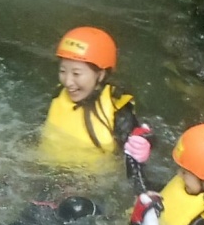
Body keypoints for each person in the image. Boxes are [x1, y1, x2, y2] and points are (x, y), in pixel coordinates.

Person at [36, 26, 152, 178]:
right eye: (63, 71)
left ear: (101, 74)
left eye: (76, 73)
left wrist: (143, 150)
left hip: (90, 181)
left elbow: (136, 143)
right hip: (45, 170)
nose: (68, 82)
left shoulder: (118, 108)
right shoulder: (59, 94)